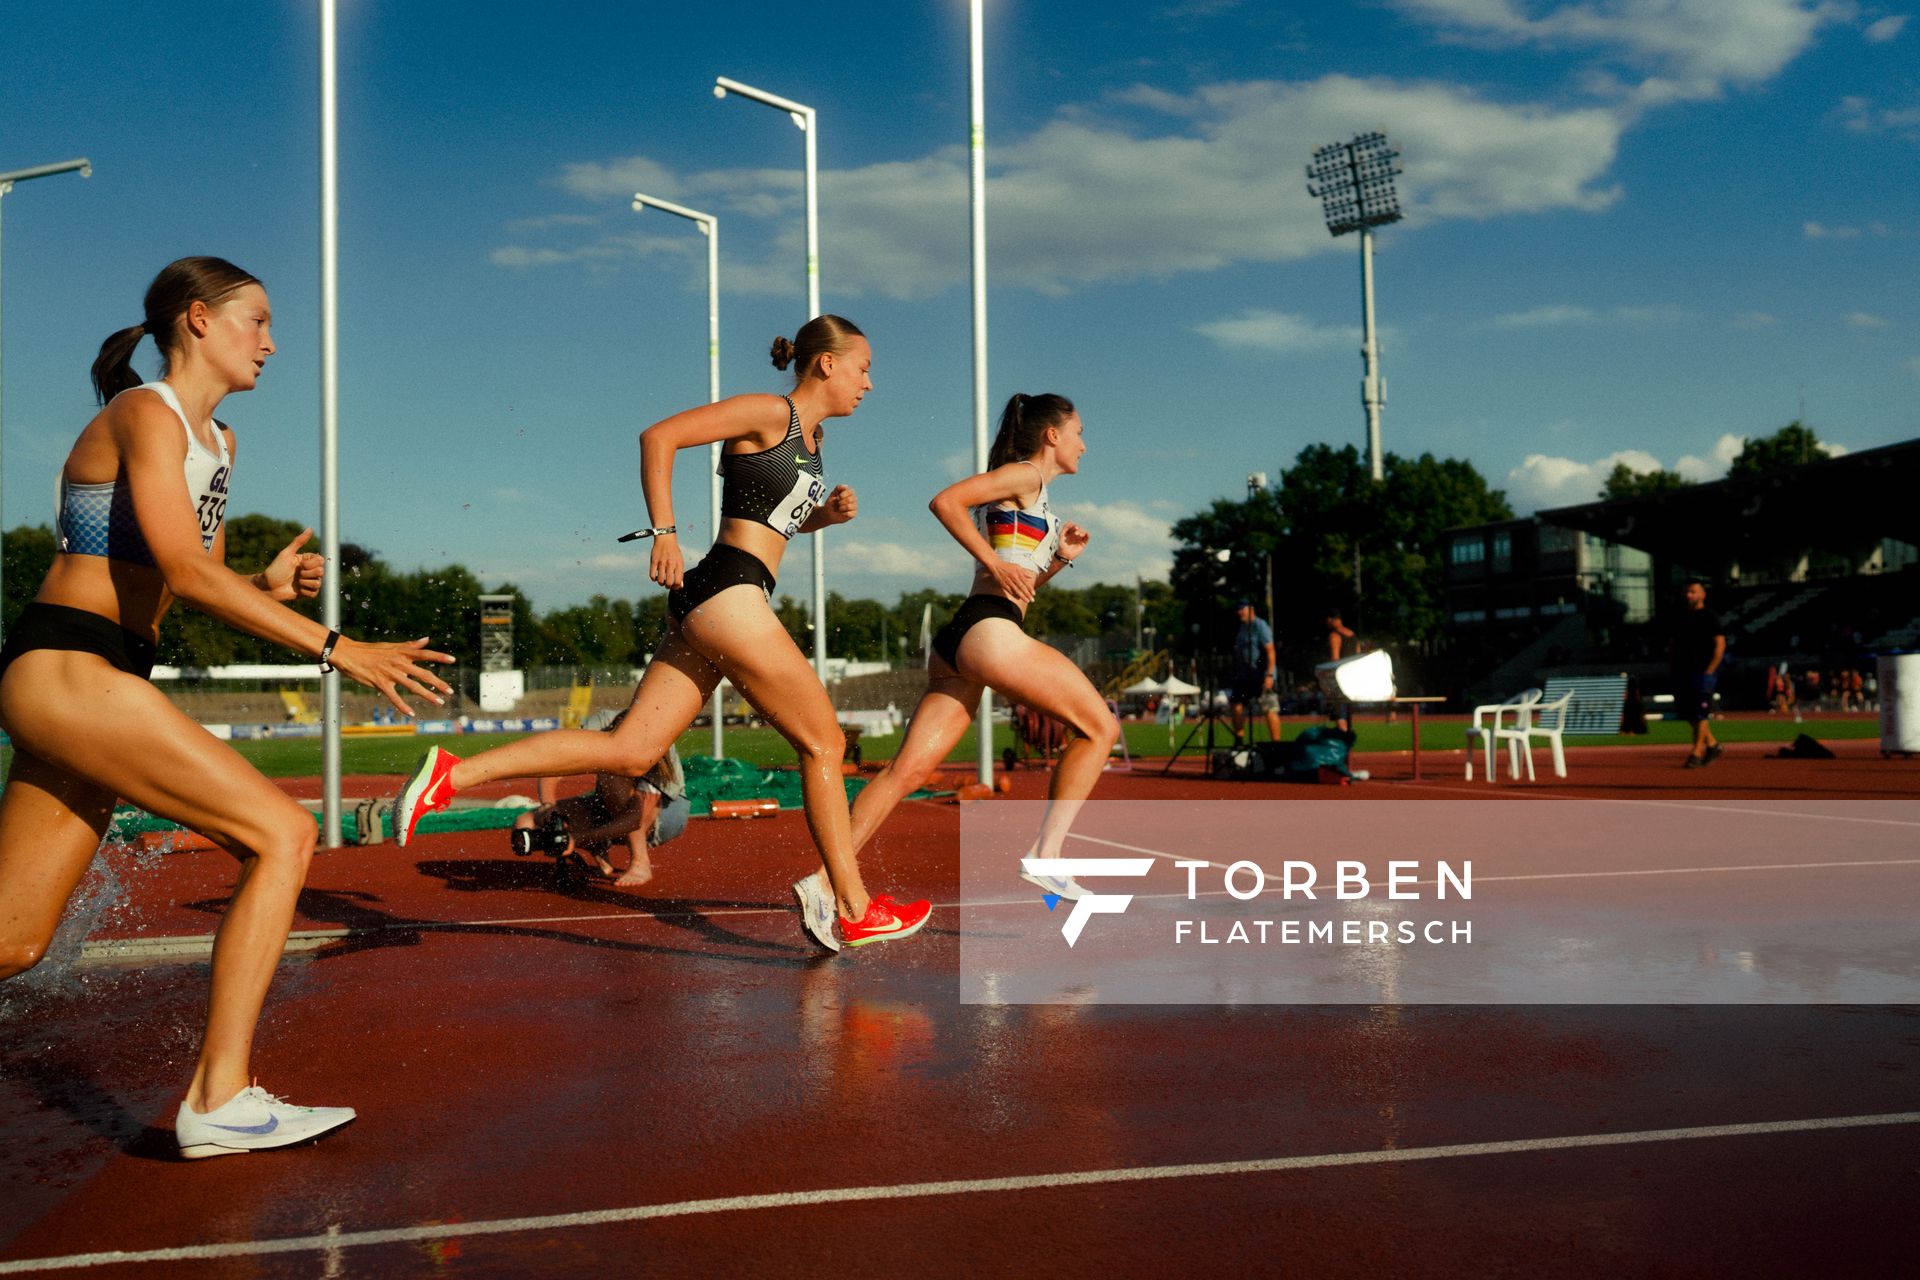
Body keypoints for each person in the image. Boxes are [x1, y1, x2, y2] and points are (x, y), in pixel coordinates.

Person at [0, 257, 452, 1159]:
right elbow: (179, 568)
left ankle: (221, 1097)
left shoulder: (223, 443)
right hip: (65, 661)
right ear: (199, 321)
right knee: (280, 835)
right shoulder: (142, 413)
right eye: (259, 322)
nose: (273, 343)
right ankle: (221, 1096)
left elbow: (178, 582)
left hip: (102, 669)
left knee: (12, 942)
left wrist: (264, 585)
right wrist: (336, 647)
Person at [390, 315, 929, 952]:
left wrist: (823, 520)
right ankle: (850, 903)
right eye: (864, 367)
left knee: (629, 752)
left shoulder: (809, 440)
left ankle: (450, 774)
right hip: (729, 592)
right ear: (828, 364)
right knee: (825, 744)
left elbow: (767, 519)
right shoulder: (769, 412)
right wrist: (664, 531)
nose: (870, 383)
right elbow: (660, 436)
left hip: (720, 596)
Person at [842, 392, 1118, 901]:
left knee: (908, 771)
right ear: (1052, 435)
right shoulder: (1026, 475)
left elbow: (1020, 591)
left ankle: (826, 880)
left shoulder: (1038, 499)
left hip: (968, 635)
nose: (1085, 442)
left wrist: (1060, 558)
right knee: (1099, 727)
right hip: (988, 631)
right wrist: (994, 563)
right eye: (1078, 431)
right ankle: (1046, 857)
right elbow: (945, 502)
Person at [510, 712, 688, 887]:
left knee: (612, 776)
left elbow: (635, 820)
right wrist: (548, 808)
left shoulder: (657, 743)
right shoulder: (599, 724)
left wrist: (578, 838)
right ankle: (599, 849)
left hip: (663, 816)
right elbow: (557, 762)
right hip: (611, 806)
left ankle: (640, 862)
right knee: (525, 821)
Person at [1670, 579, 1725, 768]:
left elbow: (1720, 645)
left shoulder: (1710, 617)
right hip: (1682, 672)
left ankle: (1696, 752)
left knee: (1700, 713)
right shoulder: (1681, 617)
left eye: (1693, 592)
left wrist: (1709, 671)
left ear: (1703, 594)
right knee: (1689, 713)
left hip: (1702, 673)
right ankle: (1712, 744)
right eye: (1687, 592)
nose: (1689, 595)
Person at [1226, 600, 1281, 744]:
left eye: (1242, 609)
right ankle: (1239, 739)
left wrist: (1269, 675)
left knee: (1269, 707)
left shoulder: (1260, 626)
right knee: (1235, 703)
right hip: (1245, 676)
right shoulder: (1242, 628)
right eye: (1238, 610)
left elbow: (1270, 651)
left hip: (1262, 675)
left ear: (1251, 609)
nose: (1239, 613)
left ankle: (1276, 744)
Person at [1323, 609, 1357, 732]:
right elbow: (1358, 655)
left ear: (1333, 620)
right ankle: (1347, 739)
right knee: (1347, 712)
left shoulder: (1335, 635)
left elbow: (1335, 659)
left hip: (1339, 679)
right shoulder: (1353, 635)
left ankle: (1344, 738)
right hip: (1352, 677)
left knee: (1338, 712)